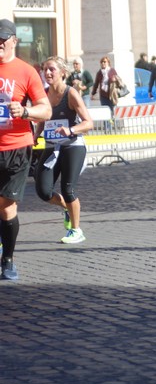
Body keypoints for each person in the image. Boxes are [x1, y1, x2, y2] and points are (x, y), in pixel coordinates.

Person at [0, 18, 52, 280]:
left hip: (16, 147)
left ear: (13, 41)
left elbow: (46, 109)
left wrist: (26, 111)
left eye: (2, 39)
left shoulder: (26, 71)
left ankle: (7, 259)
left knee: (7, 207)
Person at [33, 56, 93, 244]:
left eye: (52, 69)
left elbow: (88, 123)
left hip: (72, 146)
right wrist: (35, 135)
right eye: (45, 69)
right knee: (43, 190)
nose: (47, 72)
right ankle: (66, 208)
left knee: (68, 189)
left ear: (63, 73)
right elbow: (43, 118)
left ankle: (76, 231)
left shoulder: (71, 93)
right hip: (52, 146)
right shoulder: (43, 94)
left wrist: (71, 130)